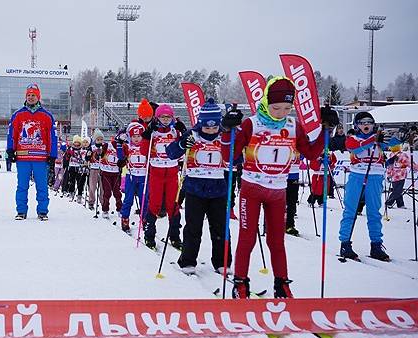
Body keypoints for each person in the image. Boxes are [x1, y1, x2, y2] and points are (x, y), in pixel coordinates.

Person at [221, 77, 335, 298]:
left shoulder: (293, 126)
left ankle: (282, 284)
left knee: (277, 240)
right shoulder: (251, 124)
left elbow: (311, 153)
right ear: (266, 102)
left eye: (286, 108)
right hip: (251, 189)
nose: (281, 112)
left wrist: (326, 129)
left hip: (278, 192)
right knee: (247, 238)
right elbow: (229, 156)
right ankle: (240, 282)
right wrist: (227, 130)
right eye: (276, 107)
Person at [167, 99, 231, 274]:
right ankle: (188, 260)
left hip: (218, 188)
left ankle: (222, 261)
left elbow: (237, 155)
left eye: (214, 127)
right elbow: (171, 153)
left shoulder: (224, 136)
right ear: (200, 123)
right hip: (195, 188)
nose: (211, 130)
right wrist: (181, 144)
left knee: (220, 227)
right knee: (193, 227)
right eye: (207, 127)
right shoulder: (192, 135)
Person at [338, 112, 400, 262]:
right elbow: (355, 148)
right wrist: (373, 139)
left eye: (369, 122)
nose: (366, 125)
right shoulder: (353, 139)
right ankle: (345, 243)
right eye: (362, 122)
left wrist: (394, 138)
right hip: (357, 176)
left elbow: (396, 148)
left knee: (374, 212)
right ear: (357, 125)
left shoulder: (378, 139)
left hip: (375, 177)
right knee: (350, 211)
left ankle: (376, 245)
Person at [6, 83, 57, 220]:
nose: (30, 97)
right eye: (28, 95)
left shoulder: (46, 116)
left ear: (38, 97)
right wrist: (10, 150)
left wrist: (52, 155)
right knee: (22, 186)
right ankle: (21, 211)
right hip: (23, 157)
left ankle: (42, 211)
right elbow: (12, 134)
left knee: (42, 186)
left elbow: (52, 137)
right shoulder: (18, 115)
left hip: (40, 158)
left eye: (33, 95)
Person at [144, 104, 184, 250]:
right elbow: (143, 151)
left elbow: (182, 148)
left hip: (172, 172)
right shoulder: (154, 132)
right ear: (158, 117)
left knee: (173, 205)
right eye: (163, 117)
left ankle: (174, 236)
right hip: (157, 172)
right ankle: (149, 234)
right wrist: (147, 135)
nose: (166, 120)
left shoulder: (174, 132)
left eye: (168, 117)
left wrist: (183, 132)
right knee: (154, 204)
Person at [119, 122, 149, 233]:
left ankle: (145, 219)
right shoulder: (128, 146)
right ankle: (125, 218)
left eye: (138, 136)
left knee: (144, 199)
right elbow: (120, 156)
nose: (136, 139)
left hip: (143, 176)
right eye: (134, 136)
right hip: (131, 176)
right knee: (128, 199)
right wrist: (119, 142)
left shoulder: (146, 147)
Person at [385, 144, 417, 209]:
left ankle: (400, 204)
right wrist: (416, 168)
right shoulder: (403, 155)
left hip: (394, 176)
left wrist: (389, 175)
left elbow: (389, 166)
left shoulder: (391, 155)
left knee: (397, 189)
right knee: (397, 191)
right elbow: (409, 163)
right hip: (401, 175)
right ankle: (389, 202)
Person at [99, 133, 124, 217]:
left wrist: (122, 162)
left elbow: (123, 160)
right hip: (106, 172)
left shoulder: (123, 147)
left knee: (117, 192)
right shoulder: (107, 145)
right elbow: (101, 154)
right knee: (107, 192)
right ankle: (105, 210)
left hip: (116, 173)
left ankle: (120, 209)